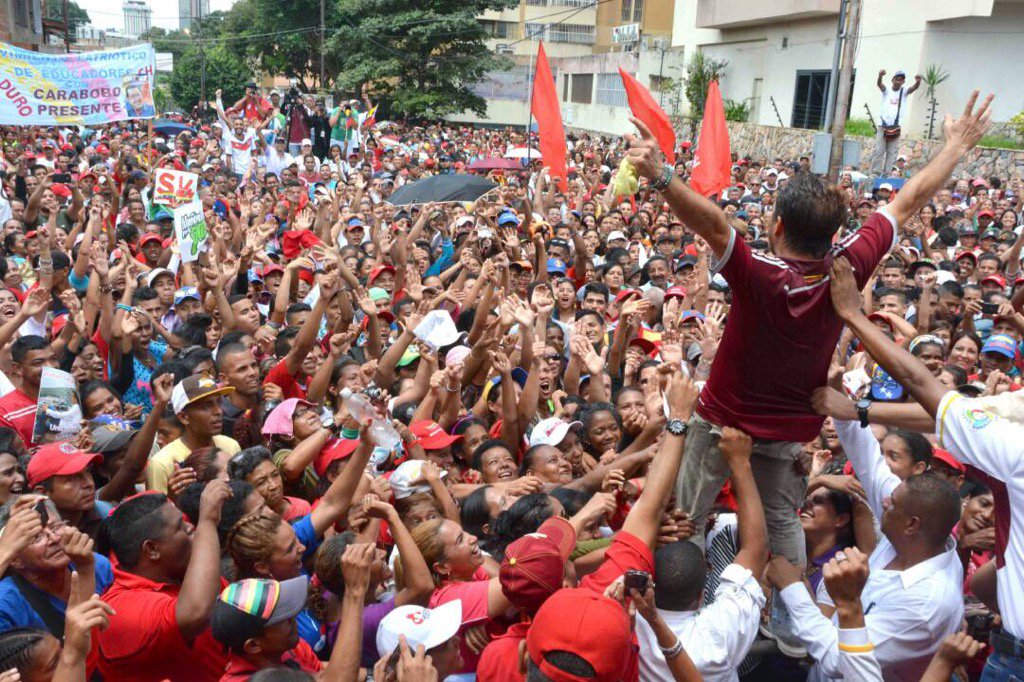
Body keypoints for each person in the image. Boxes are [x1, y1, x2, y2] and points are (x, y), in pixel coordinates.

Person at [623, 91, 992, 569]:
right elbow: (909, 201)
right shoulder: (850, 265)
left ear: (777, 227)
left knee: (689, 517)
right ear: (834, 235)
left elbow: (714, 224)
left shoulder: (758, 273)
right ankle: (790, 633)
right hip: (790, 431)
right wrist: (955, 148)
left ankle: (680, 603)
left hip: (719, 421)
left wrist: (661, 174)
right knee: (781, 520)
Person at [827, 246, 1024, 681]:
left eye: (892, 507)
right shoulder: (923, 533)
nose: (884, 508)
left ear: (914, 522)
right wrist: (854, 413)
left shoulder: (1017, 451)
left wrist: (853, 315)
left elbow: (928, 391)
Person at [635, 428, 768, 681]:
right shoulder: (718, 633)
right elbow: (755, 549)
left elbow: (755, 550)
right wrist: (740, 463)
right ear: (701, 595)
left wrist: (654, 532)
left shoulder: (628, 621)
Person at [94, 483, 232, 681]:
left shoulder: (182, 572)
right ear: (151, 549)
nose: (191, 527)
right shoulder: (119, 609)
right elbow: (196, 614)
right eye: (180, 526)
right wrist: (207, 522)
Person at [146, 375, 241, 493]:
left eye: (219, 402)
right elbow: (157, 510)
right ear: (183, 417)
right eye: (206, 406)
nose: (218, 411)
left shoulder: (230, 446)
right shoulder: (162, 464)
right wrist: (173, 499)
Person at [871, 69, 923, 175]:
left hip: (895, 127)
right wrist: (880, 76)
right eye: (897, 79)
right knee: (879, 151)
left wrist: (918, 81)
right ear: (892, 80)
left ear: (903, 82)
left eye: (901, 80)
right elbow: (880, 85)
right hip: (883, 126)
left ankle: (887, 173)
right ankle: (875, 172)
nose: (898, 81)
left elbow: (913, 88)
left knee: (891, 152)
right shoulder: (887, 91)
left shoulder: (903, 92)